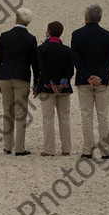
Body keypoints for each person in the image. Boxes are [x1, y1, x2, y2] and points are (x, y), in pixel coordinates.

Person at [71, 4, 109, 159]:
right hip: (102, 82)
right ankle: (105, 150)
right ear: (99, 18)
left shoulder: (76, 35)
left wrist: (87, 75)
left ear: (85, 18)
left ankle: (87, 149)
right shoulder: (107, 35)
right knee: (103, 115)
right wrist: (100, 76)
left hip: (84, 81)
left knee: (86, 115)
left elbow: (76, 58)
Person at [0, 8, 39, 156]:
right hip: (21, 77)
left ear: (16, 19)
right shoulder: (31, 39)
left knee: (7, 111)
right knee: (21, 113)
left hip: (5, 76)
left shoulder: (4, 36)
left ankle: (7, 146)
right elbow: (35, 63)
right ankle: (19, 147)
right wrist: (37, 82)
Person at [36, 21, 74, 157]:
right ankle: (66, 148)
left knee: (48, 119)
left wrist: (52, 84)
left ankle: (49, 149)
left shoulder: (41, 49)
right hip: (64, 89)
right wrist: (62, 84)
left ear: (48, 32)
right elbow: (70, 70)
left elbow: (43, 69)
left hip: (47, 88)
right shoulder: (67, 50)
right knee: (64, 118)